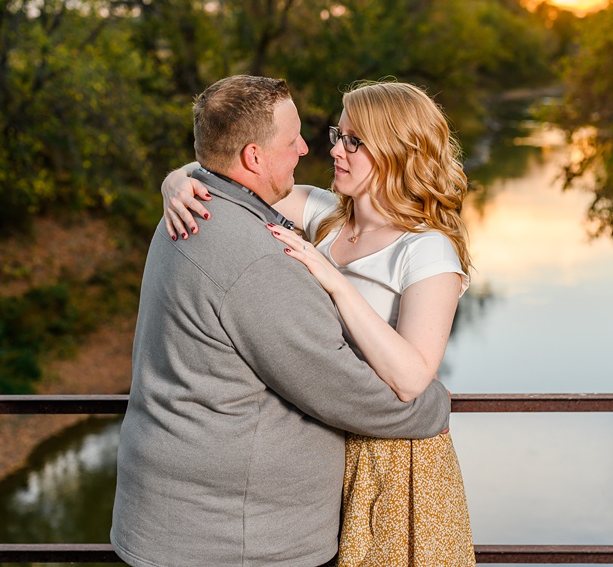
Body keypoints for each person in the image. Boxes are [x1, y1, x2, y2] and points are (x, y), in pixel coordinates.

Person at [110, 75, 453, 567]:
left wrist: (179, 180)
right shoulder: (306, 226)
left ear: (398, 151)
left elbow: (220, 164)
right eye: (338, 135)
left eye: (352, 141)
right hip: (237, 538)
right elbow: (331, 379)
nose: (315, 148)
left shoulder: (421, 249)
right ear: (253, 157)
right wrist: (435, 410)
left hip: (379, 468)